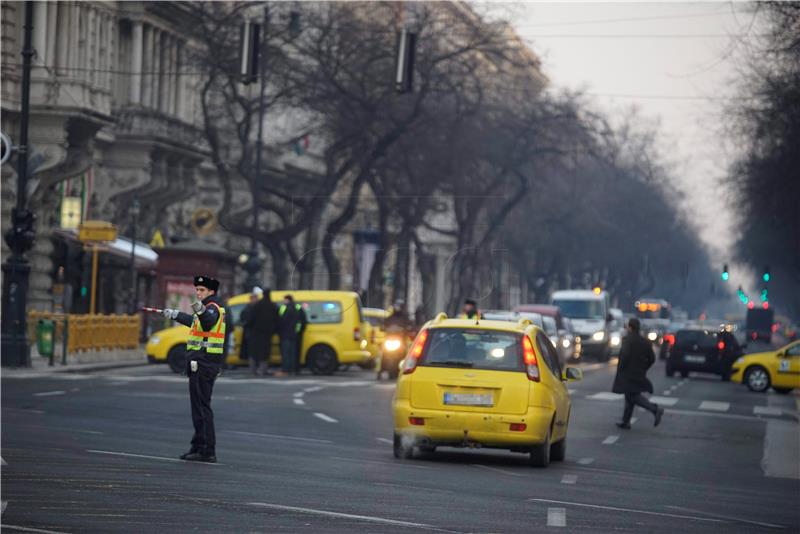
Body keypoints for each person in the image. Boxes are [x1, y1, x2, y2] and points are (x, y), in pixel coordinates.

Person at [161, 276, 226, 462]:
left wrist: (200, 309)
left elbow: (207, 321)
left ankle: (206, 450)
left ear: (211, 292)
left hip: (204, 363)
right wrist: (176, 315)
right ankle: (198, 446)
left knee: (201, 408)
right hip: (203, 363)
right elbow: (197, 324)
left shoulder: (212, 307)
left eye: (202, 290)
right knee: (199, 408)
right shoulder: (210, 306)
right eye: (197, 290)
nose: (198, 293)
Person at [612, 318, 664, 429]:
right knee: (630, 395)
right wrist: (644, 368)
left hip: (628, 373)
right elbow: (652, 358)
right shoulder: (645, 342)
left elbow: (625, 355)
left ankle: (655, 409)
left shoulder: (627, 340)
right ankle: (626, 421)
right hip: (639, 373)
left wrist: (621, 368)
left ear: (630, 327)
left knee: (633, 396)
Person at [241, 287, 277, 377]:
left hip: (255, 333)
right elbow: (276, 319)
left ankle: (253, 371)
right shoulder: (272, 305)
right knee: (265, 353)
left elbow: (250, 319)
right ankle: (262, 370)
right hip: (267, 334)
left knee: (253, 352)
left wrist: (246, 325)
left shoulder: (257, 305)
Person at [276, 294, 306, 376]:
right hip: (295, 334)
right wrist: (299, 331)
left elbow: (279, 321)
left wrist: (279, 332)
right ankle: (294, 370)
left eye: (284, 300)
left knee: (286, 353)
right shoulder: (298, 307)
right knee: (294, 353)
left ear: (287, 300)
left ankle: (286, 369)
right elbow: (303, 320)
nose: (283, 301)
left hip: (285, 334)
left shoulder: (283, 308)